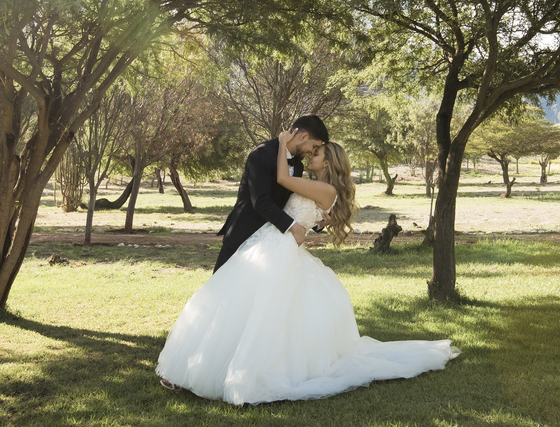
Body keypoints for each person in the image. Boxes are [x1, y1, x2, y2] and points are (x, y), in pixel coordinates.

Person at [156, 129, 459, 406]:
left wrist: (281, 144)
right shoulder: (316, 185)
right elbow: (298, 210)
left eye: (317, 153)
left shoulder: (325, 190)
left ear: (330, 162)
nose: (310, 155)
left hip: (280, 249)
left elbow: (285, 182)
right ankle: (195, 369)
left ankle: (247, 371)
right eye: (312, 151)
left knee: (260, 313)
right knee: (233, 306)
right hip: (268, 242)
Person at [212, 115, 329, 272]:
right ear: (303, 136)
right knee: (222, 291)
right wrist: (293, 227)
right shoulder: (261, 154)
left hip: (271, 245)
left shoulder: (298, 166)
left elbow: (291, 205)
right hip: (244, 235)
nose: (311, 152)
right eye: (314, 146)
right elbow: (261, 202)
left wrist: (318, 224)